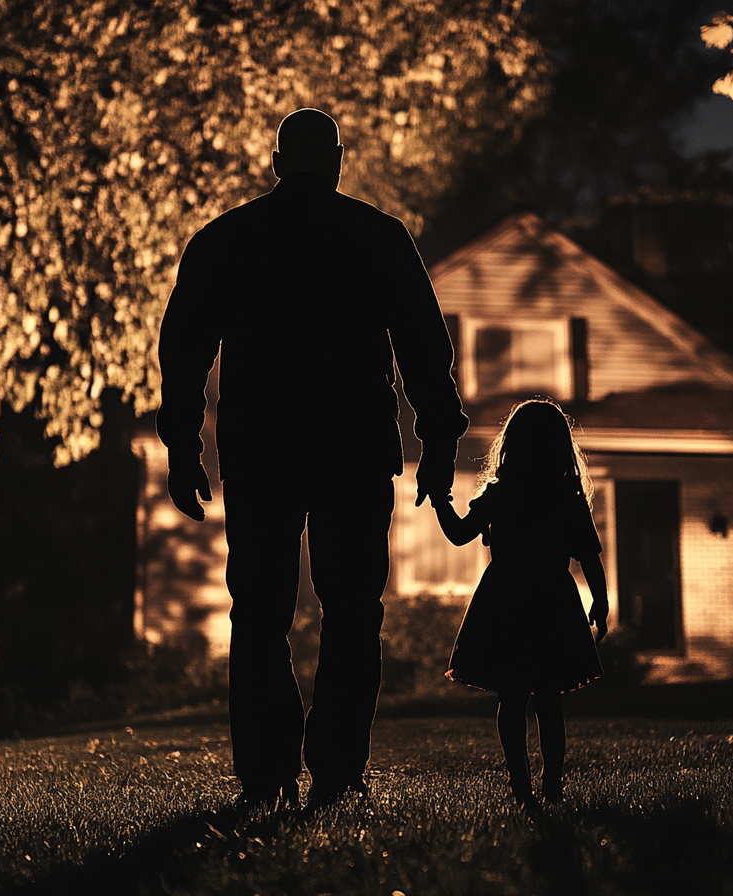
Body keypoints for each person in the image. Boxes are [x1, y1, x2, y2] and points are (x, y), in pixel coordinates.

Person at [156, 108, 467, 811]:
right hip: (352, 447)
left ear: (275, 162)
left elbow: (184, 353)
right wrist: (440, 440)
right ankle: (337, 770)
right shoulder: (378, 238)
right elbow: (424, 347)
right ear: (337, 161)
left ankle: (266, 775)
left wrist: (183, 443)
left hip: (260, 445)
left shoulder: (227, 239)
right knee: (353, 609)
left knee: (259, 611)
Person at [429, 399, 608, 809]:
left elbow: (458, 534)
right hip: (552, 600)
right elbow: (588, 556)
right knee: (549, 699)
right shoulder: (566, 497)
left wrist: (440, 501)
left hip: (505, 600)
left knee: (512, 698)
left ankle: (522, 788)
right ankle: (551, 788)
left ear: (511, 444)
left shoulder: (499, 495)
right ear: (560, 446)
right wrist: (599, 598)